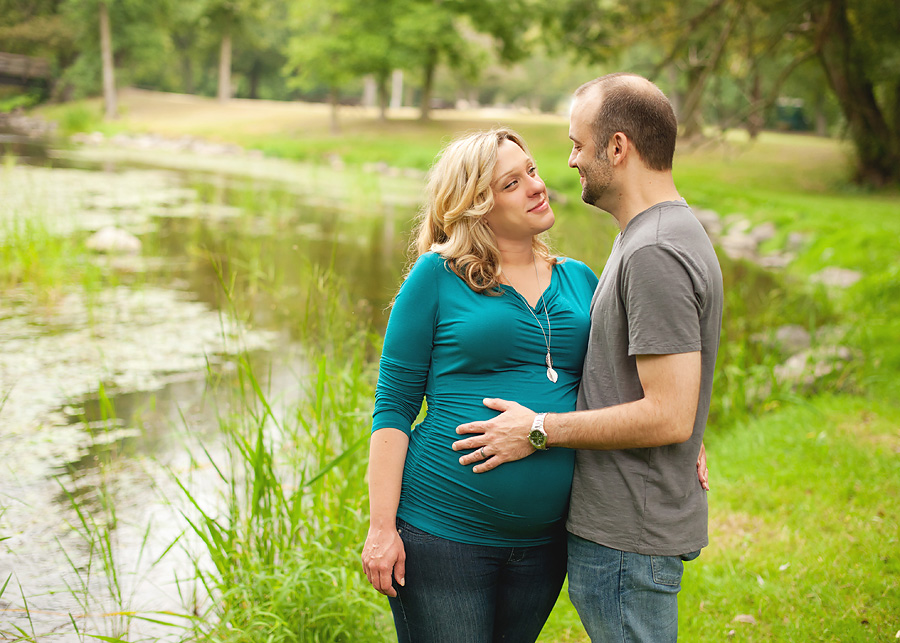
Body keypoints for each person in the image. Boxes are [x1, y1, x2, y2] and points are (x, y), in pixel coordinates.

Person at [453, 73, 724, 642]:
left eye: (578, 144)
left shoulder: (654, 250)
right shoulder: (652, 235)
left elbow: (669, 411)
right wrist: (689, 427)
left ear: (618, 147)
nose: (570, 162)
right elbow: (668, 385)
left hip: (630, 536)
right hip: (627, 531)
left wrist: (539, 429)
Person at [361, 128, 600, 643]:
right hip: (443, 533)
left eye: (532, 171)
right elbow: (394, 406)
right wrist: (382, 529)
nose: (537, 187)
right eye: (512, 183)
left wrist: (687, 441)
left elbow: (623, 386)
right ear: (478, 207)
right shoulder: (436, 277)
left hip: (544, 543)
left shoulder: (581, 280)